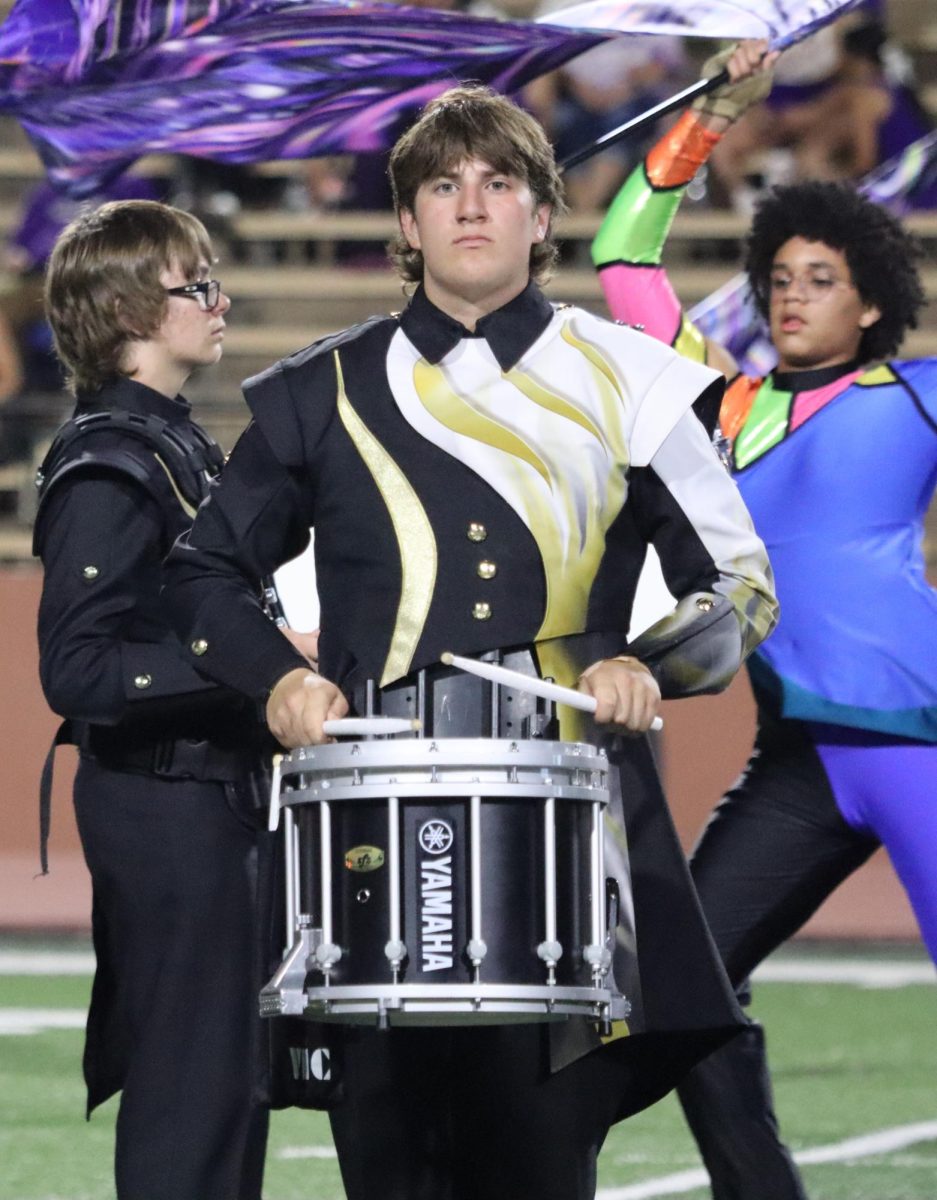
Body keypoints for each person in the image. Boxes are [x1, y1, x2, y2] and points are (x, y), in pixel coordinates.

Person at [163, 84, 777, 1200]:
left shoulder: (634, 381)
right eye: (441, 187)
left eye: (500, 184)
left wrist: (651, 659)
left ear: (544, 216)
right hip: (366, 840)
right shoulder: (319, 390)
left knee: (540, 1158)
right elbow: (203, 573)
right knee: (387, 1161)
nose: (471, 206)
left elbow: (736, 588)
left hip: (571, 835)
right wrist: (276, 680)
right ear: (405, 224)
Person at [592, 40, 937, 1200]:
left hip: (923, 753)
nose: (791, 294)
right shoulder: (717, 406)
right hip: (796, 762)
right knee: (681, 988)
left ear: (874, 300)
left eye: (821, 278)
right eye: (778, 276)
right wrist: (711, 113)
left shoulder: (917, 396)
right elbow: (621, 252)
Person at [34, 200, 287, 1200]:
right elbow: (80, 671)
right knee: (191, 1090)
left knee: (232, 1085)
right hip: (164, 803)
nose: (220, 300)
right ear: (133, 305)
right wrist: (262, 676)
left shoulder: (174, 442)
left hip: (207, 798)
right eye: (198, 284)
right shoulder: (109, 463)